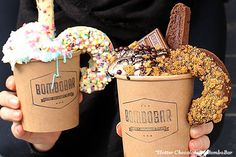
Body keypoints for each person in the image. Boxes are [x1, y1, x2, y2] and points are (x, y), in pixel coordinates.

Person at [0, 0, 227, 157]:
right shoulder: (41, 17)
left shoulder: (191, 10)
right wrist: (40, 141)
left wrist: (190, 136)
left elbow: (207, 112)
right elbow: (14, 138)